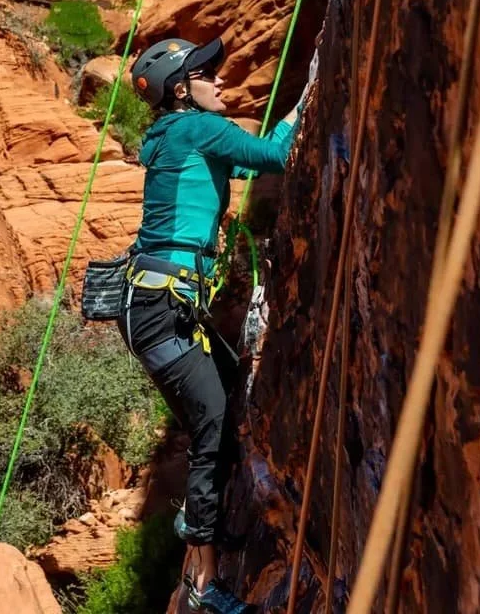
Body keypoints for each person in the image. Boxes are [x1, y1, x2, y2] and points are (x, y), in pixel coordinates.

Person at [122, 36, 310, 614]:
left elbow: (239, 162)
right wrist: (311, 92)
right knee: (213, 427)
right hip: (163, 312)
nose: (220, 79)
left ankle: (194, 528)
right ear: (182, 89)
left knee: (227, 413)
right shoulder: (195, 128)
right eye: (208, 73)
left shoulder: (176, 133)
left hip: (158, 308)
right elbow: (276, 155)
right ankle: (203, 586)